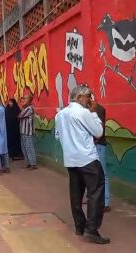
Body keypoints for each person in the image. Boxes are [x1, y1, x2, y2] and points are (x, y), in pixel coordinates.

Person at [55, 85, 109, 244]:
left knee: (76, 194)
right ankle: (92, 228)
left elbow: (58, 137)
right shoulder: (84, 112)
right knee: (96, 192)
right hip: (87, 158)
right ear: (79, 97)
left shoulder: (61, 114)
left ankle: (80, 225)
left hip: (71, 159)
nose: (89, 100)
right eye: (87, 97)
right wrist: (93, 113)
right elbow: (98, 132)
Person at [93, 97, 111, 212]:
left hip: (98, 145)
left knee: (103, 174)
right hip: (96, 145)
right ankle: (101, 200)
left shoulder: (97, 109)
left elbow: (99, 130)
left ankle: (105, 202)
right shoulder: (90, 109)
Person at [19, 95, 37, 170]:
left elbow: (20, 115)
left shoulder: (30, 108)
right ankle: (28, 163)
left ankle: (33, 164)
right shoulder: (26, 108)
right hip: (23, 131)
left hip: (27, 132)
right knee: (24, 148)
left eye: (25, 98)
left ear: (29, 100)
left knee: (29, 148)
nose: (23, 100)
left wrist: (21, 107)